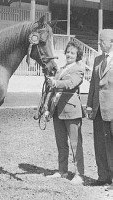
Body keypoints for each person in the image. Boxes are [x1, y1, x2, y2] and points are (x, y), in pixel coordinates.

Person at [46, 41, 85, 185]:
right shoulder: (61, 69)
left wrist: (56, 83)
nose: (69, 54)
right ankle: (62, 170)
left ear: (77, 55)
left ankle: (79, 174)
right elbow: (52, 91)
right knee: (61, 143)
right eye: (68, 52)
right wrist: (47, 108)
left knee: (75, 144)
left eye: (72, 53)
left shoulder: (79, 69)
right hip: (57, 110)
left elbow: (70, 83)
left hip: (72, 110)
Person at [86, 29, 113, 189]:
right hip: (97, 110)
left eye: (102, 41)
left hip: (112, 109)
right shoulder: (97, 60)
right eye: (99, 41)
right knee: (99, 144)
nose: (99, 43)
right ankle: (103, 176)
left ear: (111, 42)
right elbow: (92, 86)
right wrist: (89, 104)